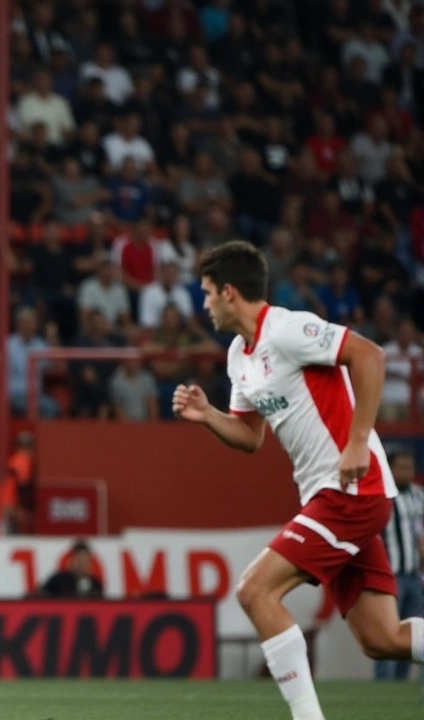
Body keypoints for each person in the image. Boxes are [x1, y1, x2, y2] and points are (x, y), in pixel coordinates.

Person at [173, 241, 421, 720]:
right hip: (328, 496)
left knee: (254, 591)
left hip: (351, 489)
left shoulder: (287, 328)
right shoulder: (237, 357)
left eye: (206, 293)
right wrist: (207, 415)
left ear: (229, 292)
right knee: (381, 639)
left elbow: (368, 356)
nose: (202, 305)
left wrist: (358, 440)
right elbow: (249, 437)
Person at [377, 451, 424, 680]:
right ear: (390, 468)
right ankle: (384, 685)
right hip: (389, 574)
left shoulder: (418, 495)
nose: (406, 472)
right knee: (386, 634)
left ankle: (401, 684)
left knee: (412, 634)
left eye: (409, 467)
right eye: (401, 467)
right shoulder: (381, 494)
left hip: (414, 575)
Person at [39, 540, 104, 598]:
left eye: (85, 561)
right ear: (71, 561)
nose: (82, 565)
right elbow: (41, 595)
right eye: (79, 560)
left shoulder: (96, 584)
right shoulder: (58, 580)